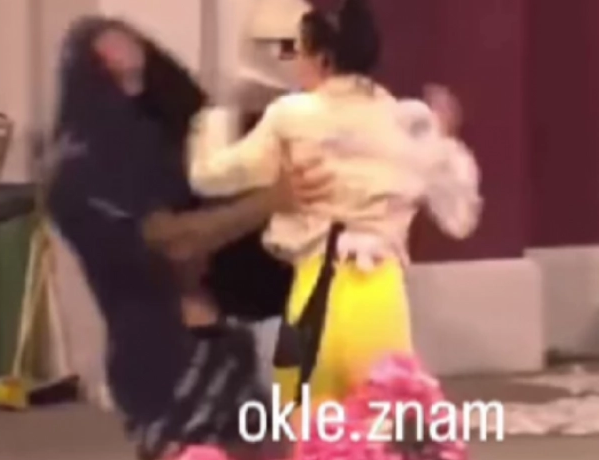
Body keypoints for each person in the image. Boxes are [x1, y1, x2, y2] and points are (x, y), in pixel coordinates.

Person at [46, 15, 329, 460]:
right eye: (109, 55)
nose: (125, 57)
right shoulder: (77, 172)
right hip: (159, 366)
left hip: (224, 348)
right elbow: (172, 241)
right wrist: (272, 199)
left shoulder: (163, 142)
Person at [186, 0, 482, 406]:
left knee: (308, 427)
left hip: (312, 294)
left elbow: (210, 176)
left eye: (300, 52)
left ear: (322, 59)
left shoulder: (291, 117)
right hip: (381, 297)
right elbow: (460, 217)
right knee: (383, 428)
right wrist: (441, 140)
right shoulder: (406, 123)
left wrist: (212, 120)